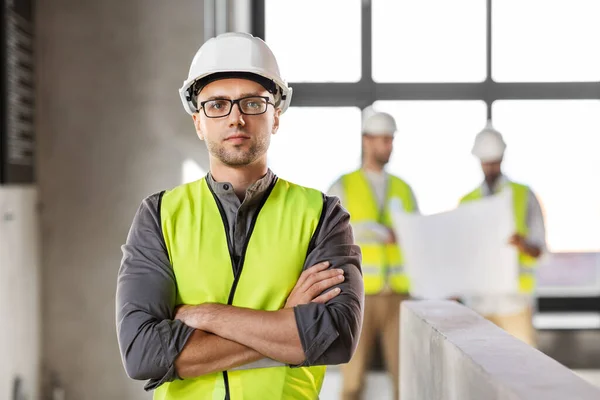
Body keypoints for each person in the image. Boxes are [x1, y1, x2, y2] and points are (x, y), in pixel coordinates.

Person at [115, 32, 364, 400]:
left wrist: (208, 315)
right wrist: (285, 320)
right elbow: (142, 354)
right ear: (198, 121)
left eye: (252, 103)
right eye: (217, 105)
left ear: (276, 116)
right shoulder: (160, 215)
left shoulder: (322, 216)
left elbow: (336, 337)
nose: (236, 119)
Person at [328, 109, 418, 400]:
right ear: (366, 141)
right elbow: (328, 236)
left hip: (398, 296)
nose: (388, 147)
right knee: (352, 381)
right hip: (357, 295)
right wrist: (370, 230)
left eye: (390, 140)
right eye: (382, 140)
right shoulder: (343, 185)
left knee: (405, 381)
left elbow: (418, 237)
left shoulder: (404, 188)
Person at [460, 120, 547, 346]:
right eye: (486, 163)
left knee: (522, 370)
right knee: (478, 369)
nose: (490, 168)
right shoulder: (467, 202)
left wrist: (523, 244)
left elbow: (541, 251)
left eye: (494, 162)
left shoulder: (523, 195)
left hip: (515, 303)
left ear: (502, 159)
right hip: (479, 303)